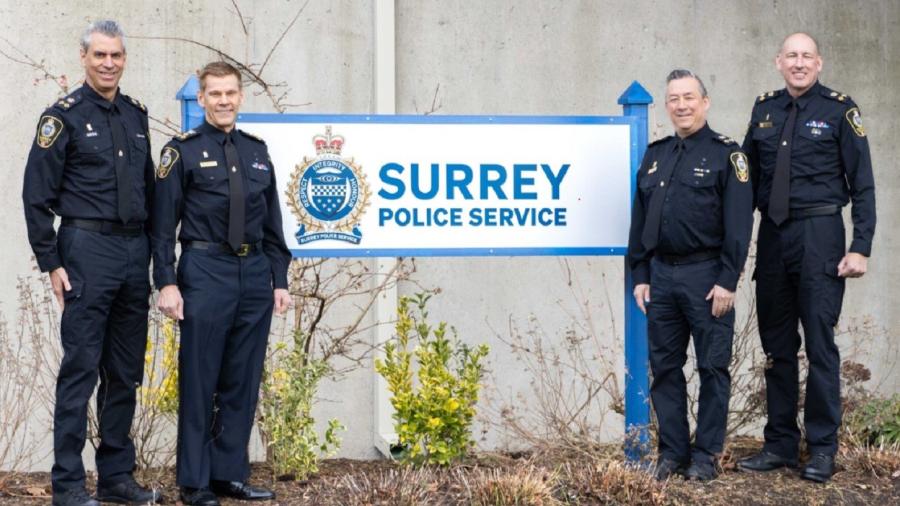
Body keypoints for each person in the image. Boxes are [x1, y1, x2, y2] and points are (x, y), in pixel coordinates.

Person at [21, 20, 162, 506]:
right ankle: (68, 485)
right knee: (80, 370)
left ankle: (117, 478)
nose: (108, 63)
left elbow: (150, 189)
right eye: (100, 55)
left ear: (124, 59)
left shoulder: (136, 115)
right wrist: (51, 262)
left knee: (124, 372)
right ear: (84, 58)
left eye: (116, 55)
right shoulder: (62, 116)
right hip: (86, 250)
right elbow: (36, 196)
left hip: (132, 252)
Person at [152, 61, 292, 506]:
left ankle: (228, 475)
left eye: (231, 93)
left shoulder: (257, 151)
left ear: (241, 96)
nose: (224, 101)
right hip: (205, 271)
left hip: (253, 277)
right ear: (202, 99)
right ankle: (194, 483)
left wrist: (279, 278)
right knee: (200, 379)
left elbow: (272, 225)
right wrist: (167, 283)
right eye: (215, 94)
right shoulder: (182, 152)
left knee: (242, 379)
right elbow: (161, 228)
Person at [737, 32, 876, 483]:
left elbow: (864, 184)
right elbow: (746, 183)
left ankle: (820, 449)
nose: (798, 63)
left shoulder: (840, 110)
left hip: (820, 233)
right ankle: (779, 443)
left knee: (819, 346)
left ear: (819, 62)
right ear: (778, 61)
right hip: (774, 236)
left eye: (806, 57)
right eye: (791, 56)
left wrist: (861, 246)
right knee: (777, 348)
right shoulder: (764, 109)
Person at [628, 69, 754, 481]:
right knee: (664, 368)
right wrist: (640, 275)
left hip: (707, 277)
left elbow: (738, 226)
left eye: (689, 97)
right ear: (667, 105)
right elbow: (640, 222)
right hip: (661, 276)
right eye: (674, 99)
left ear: (705, 102)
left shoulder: (727, 156)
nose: (681, 105)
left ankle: (705, 456)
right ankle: (673, 453)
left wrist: (727, 280)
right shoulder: (656, 154)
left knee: (712, 368)